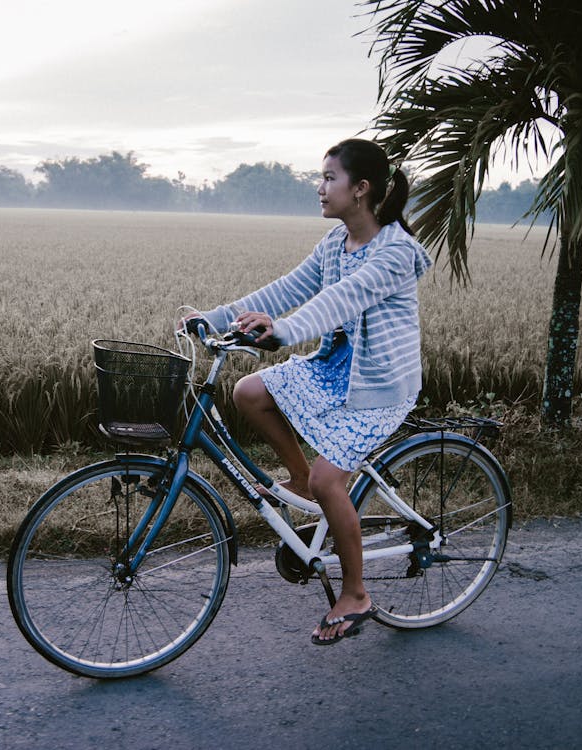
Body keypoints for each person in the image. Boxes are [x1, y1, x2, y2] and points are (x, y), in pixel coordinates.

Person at [191, 138, 432, 645]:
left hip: (381, 384)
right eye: (320, 178)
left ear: (360, 189)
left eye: (329, 179)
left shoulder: (395, 253)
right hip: (336, 368)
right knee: (249, 393)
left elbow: (342, 300)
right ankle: (299, 479)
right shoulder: (333, 244)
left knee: (332, 480)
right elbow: (287, 289)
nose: (320, 188)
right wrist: (212, 318)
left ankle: (356, 592)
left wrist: (281, 331)